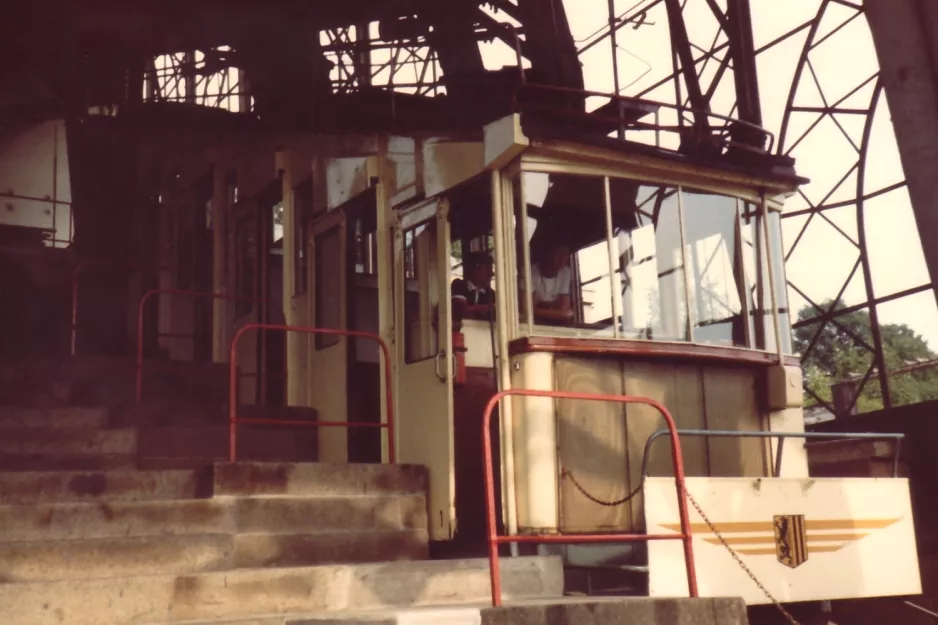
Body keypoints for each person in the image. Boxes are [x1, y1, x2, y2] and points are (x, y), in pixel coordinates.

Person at [530, 243, 575, 323]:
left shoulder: (565, 272)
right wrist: (557, 313)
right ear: (548, 253)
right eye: (558, 254)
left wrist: (541, 309)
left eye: (565, 254)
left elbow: (565, 307)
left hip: (554, 322)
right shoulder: (530, 272)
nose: (562, 259)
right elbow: (528, 309)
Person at [451, 251, 496, 327]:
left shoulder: (491, 294)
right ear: (476, 269)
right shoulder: (459, 285)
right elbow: (462, 310)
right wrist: (488, 307)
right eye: (488, 269)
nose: (491, 273)